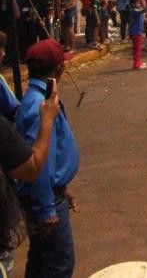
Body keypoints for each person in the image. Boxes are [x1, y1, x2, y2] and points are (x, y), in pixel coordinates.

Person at [15, 39, 80, 278]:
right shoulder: (40, 108)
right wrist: (46, 208)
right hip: (47, 200)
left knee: (42, 260)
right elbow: (39, 162)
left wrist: (64, 185)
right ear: (59, 70)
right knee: (59, 265)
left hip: (52, 193)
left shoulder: (38, 100)